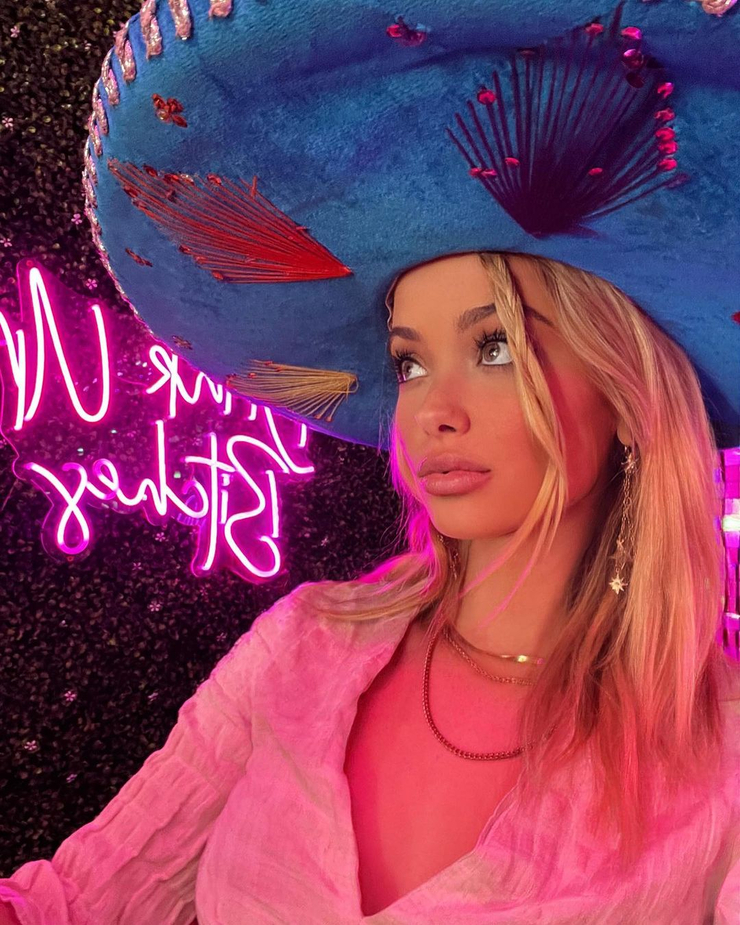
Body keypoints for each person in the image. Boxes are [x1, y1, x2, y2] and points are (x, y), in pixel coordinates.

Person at [3, 1, 740, 922]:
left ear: (627, 394)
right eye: (410, 363)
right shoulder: (306, 647)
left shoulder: (721, 758)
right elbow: (71, 901)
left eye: (497, 347)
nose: (431, 410)